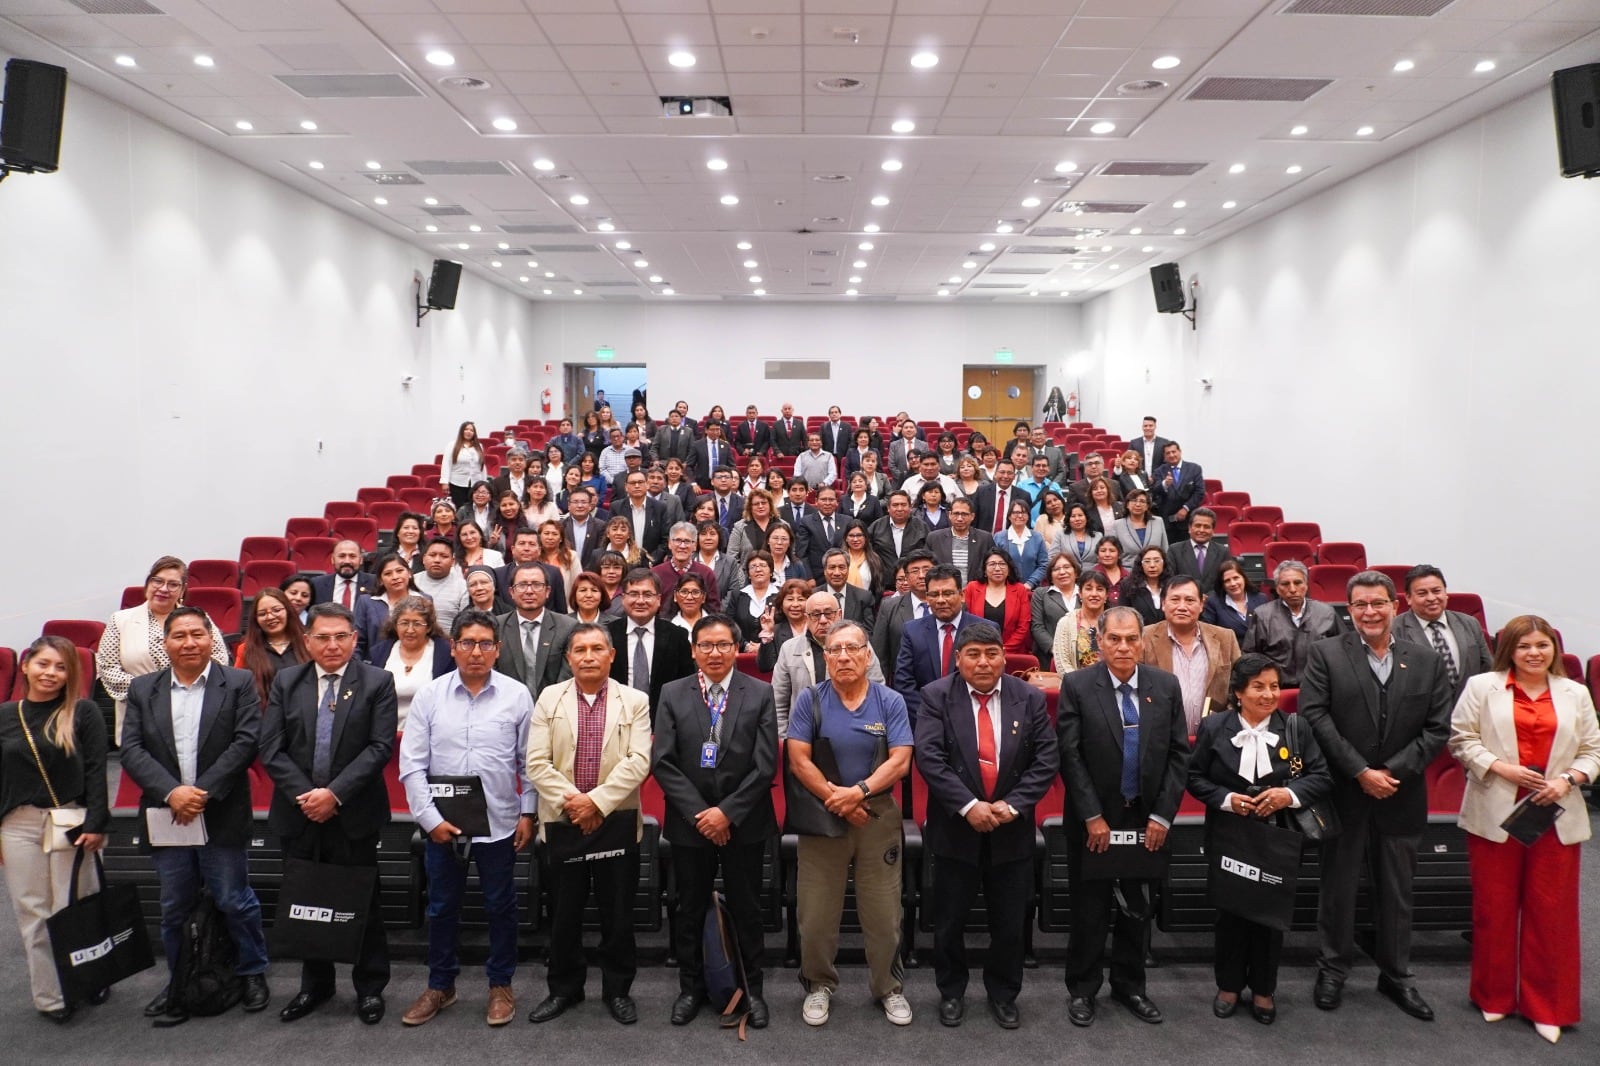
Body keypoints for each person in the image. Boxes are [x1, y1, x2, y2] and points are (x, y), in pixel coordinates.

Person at [1298, 570, 1451, 1021]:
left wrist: (1393, 771)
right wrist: (1361, 771)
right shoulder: (1326, 654)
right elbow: (1314, 715)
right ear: (1349, 610)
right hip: (1344, 792)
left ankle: (1396, 975)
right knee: (1338, 887)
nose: (1369, 612)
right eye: (1360, 605)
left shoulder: (1424, 660)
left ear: (1395, 606)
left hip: (1401, 794)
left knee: (1397, 891)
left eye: (1378, 603)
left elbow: (1437, 727)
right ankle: (1332, 969)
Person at [1449, 615, 1600, 1044]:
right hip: (1495, 811)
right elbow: (1461, 738)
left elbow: (1593, 749)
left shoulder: (1576, 692)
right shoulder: (1483, 686)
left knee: (1552, 914)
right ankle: (1493, 996)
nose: (1535, 653)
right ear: (1508, 650)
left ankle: (1547, 1005)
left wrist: (1569, 779)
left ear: (1554, 648)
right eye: (1524, 646)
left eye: (1543, 645)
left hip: (1555, 812)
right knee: (1493, 910)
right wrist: (1500, 766)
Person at [119, 606, 270, 1020]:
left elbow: (246, 741)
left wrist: (199, 793)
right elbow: (130, 749)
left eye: (197, 634)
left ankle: (252, 970)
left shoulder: (236, 682)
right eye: (179, 635)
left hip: (218, 809)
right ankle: (179, 980)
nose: (189, 642)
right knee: (174, 905)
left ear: (210, 639)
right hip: (167, 815)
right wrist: (171, 793)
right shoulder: (143, 688)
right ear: (165, 643)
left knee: (233, 899)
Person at [915, 623, 1059, 1029]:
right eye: (973, 653)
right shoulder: (936, 696)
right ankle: (951, 991)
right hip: (955, 829)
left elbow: (1046, 759)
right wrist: (968, 805)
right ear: (958, 658)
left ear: (1003, 657)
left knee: (1010, 922)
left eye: (991, 653)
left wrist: (1012, 806)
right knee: (950, 921)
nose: (983, 661)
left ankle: (1004, 992)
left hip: (1011, 830)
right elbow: (929, 758)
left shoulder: (1028, 698)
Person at [398, 610, 538, 1027]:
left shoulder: (517, 696)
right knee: (441, 908)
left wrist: (528, 812)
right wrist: (428, 819)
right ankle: (441, 985)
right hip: (443, 826)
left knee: (501, 906)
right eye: (467, 643)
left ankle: (500, 984)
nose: (475, 652)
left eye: (485, 644)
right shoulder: (430, 696)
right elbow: (412, 765)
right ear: (453, 647)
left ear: (497, 650)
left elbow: (528, 763)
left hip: (499, 823)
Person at [260, 604, 397, 1025]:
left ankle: (370, 988)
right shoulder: (288, 680)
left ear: (355, 639)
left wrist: (334, 795)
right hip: (300, 813)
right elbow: (271, 747)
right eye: (322, 637)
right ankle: (314, 985)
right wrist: (309, 796)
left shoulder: (377, 681)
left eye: (341, 636)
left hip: (354, 812)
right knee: (306, 900)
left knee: (362, 901)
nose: (332, 645)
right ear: (308, 640)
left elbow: (379, 748)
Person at [1057, 606, 1189, 1027]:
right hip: (1093, 820)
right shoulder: (1077, 686)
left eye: (1132, 638)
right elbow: (1070, 756)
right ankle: (1083, 988)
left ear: (1143, 640)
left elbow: (1177, 758)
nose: (1123, 646)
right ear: (1099, 640)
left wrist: (1163, 817)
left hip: (1146, 819)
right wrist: (1092, 816)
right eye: (1114, 638)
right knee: (1089, 909)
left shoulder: (1166, 686)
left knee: (1139, 908)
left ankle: (1131, 985)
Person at [1187, 653, 1332, 1023]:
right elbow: (1194, 777)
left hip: (1279, 837)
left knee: (1270, 915)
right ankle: (1229, 984)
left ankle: (1265, 988)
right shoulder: (1213, 727)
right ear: (1238, 692)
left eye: (1274, 687)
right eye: (1258, 687)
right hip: (1230, 833)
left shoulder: (1296, 727)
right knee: (1231, 912)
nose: (1269, 695)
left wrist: (1288, 795)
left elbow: (1321, 776)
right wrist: (1226, 800)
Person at [650, 616, 779, 1028]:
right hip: (691, 823)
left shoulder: (758, 692)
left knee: (747, 908)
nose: (715, 653)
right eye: (706, 645)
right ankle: (691, 988)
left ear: (736, 649)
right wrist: (703, 814)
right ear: (693, 650)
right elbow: (664, 762)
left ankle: (751, 989)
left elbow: (765, 765)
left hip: (745, 821)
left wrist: (728, 812)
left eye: (724, 645)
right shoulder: (672, 692)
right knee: (688, 908)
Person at [787, 620, 914, 1028]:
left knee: (883, 914)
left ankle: (888, 989)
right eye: (835, 650)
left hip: (877, 816)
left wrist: (856, 793)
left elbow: (900, 761)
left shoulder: (889, 701)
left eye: (852, 648)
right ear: (825, 658)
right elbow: (798, 760)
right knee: (816, 914)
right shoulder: (810, 700)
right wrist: (836, 800)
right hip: (824, 819)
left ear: (867, 654)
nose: (843, 656)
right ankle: (819, 986)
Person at [524, 623, 652, 1027]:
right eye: (580, 649)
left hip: (615, 822)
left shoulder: (635, 700)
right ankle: (564, 988)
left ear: (612, 655)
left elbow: (639, 761)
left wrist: (596, 802)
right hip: (563, 823)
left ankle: (617, 989)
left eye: (597, 648)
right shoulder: (549, 697)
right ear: (568, 658)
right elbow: (536, 763)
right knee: (564, 913)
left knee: (617, 914)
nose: (589, 656)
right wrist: (577, 804)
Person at [1, 636, 109, 1023]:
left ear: (71, 674)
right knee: (33, 911)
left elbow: (98, 770)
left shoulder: (83, 712)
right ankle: (51, 996)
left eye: (61, 667)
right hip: (17, 825)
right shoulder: (5, 715)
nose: (51, 673)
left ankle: (88, 976)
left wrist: (97, 823)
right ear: (26, 665)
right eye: (43, 664)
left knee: (74, 906)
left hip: (70, 821)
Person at [96, 555, 228, 742]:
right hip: (140, 715)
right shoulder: (120, 620)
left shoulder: (199, 618)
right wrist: (152, 691)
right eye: (157, 581)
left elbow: (218, 659)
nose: (163, 589)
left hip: (193, 710)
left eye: (173, 584)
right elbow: (108, 668)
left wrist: (182, 689)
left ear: (182, 590)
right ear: (148, 584)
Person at [1138, 576, 1241, 735]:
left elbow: (1239, 687)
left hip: (1215, 738)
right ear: (1163, 604)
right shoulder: (1144, 637)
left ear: (1201, 605)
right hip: (1161, 737)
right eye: (1175, 599)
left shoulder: (1225, 638)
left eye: (1190, 600)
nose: (1182, 606)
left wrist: (1225, 722)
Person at [895, 565, 987, 722]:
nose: (940, 600)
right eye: (934, 594)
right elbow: (904, 683)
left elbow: (987, 680)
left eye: (948, 593)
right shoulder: (912, 631)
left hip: (972, 719)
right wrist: (931, 715)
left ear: (962, 595)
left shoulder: (984, 630)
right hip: (924, 719)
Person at [1394, 564, 1493, 704]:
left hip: (1468, 709)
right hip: (1421, 714)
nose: (1431, 598)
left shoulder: (1470, 623)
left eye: (1436, 591)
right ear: (1408, 598)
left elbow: (1488, 668)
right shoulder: (1395, 629)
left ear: (1445, 593)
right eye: (1422, 593)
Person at [607, 568, 696, 723]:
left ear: (659, 599)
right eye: (633, 594)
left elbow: (686, 685)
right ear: (622, 598)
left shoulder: (677, 636)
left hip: (664, 721)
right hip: (615, 720)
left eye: (648, 594)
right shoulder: (607, 634)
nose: (640, 601)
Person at [1242, 561, 1343, 688]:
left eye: (1298, 582)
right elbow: (1250, 658)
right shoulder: (1263, 615)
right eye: (1285, 584)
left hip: (1320, 686)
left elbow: (1343, 652)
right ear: (1277, 588)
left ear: (1306, 585)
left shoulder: (1326, 613)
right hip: (1278, 689)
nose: (1292, 589)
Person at [493, 560, 577, 701]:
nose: (529, 591)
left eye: (537, 585)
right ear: (511, 592)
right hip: (506, 707)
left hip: (554, 709)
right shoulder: (496, 627)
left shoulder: (568, 627)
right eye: (522, 585)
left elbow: (567, 677)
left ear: (548, 591)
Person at [368, 596, 452, 731]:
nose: (410, 630)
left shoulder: (445, 654)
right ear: (395, 625)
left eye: (417, 624)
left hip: (430, 733)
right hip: (384, 735)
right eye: (404, 623)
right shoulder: (379, 653)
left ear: (429, 627)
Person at [233, 587, 308, 702]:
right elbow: (237, 688)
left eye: (276, 610)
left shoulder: (308, 642)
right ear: (256, 619)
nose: (270, 617)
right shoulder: (246, 649)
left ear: (288, 611)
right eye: (262, 614)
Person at [964, 548, 1031, 656]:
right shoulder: (972, 588)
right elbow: (966, 622)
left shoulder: (1019, 590)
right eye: (992, 564)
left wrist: (1002, 650)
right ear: (984, 569)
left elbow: (1023, 626)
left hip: (1012, 652)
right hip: (977, 651)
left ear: (1009, 568)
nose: (997, 568)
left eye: (1002, 564)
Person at [1052, 570, 1111, 674]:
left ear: (1106, 595)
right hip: (1074, 685)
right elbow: (1062, 665)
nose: (1094, 594)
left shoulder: (1115, 623)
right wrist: (1079, 686)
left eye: (1099, 589)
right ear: (1080, 593)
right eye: (1088, 589)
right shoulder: (1066, 623)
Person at [928, 496, 994, 587]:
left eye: (964, 514)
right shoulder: (934, 538)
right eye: (956, 514)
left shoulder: (985, 539)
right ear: (949, 515)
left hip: (976, 591)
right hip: (944, 591)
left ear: (972, 516)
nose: (959, 518)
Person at [1031, 553, 1080, 666]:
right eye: (1056, 569)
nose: (1062, 572)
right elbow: (1037, 627)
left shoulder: (1085, 592)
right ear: (1050, 576)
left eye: (1067, 567)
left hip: (1083, 655)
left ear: (1076, 572)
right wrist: (1056, 650)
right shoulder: (1041, 594)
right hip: (1050, 656)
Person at [1203, 559, 1268, 643]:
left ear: (1243, 578)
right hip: (1229, 652)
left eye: (1236, 578)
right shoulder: (1213, 602)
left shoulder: (1261, 599)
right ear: (1222, 585)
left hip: (1259, 653)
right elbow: (1208, 634)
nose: (1233, 583)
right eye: (1227, 581)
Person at [1165, 507, 1229, 593]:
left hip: (1214, 603)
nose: (1201, 530)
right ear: (1189, 528)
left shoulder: (1223, 552)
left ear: (1213, 530)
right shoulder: (1174, 550)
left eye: (1206, 527)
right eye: (1197, 526)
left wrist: (1209, 598)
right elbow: (1170, 580)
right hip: (1184, 601)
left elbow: (1227, 581)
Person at [413, 537, 470, 632]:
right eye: (432, 555)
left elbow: (464, 624)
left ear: (453, 561)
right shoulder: (411, 581)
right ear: (424, 559)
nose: (437, 560)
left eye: (444, 556)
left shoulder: (463, 587)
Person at [1153, 440, 1205, 544]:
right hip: (1168, 521)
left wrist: (1185, 508)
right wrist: (1165, 484)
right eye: (1168, 453)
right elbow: (1155, 490)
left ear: (1180, 451)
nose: (1171, 455)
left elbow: (1199, 491)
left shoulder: (1194, 469)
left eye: (1174, 451)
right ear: (1164, 456)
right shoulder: (1159, 471)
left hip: (1189, 519)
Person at [869, 491, 929, 580]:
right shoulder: (876, 527)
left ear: (910, 507)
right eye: (895, 505)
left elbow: (929, 554)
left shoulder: (921, 527)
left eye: (903, 505)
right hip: (883, 583)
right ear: (888, 508)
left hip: (914, 581)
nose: (900, 508)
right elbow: (868, 552)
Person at [729, 551, 780, 650]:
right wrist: (745, 645)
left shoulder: (780, 595)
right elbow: (729, 624)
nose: (758, 569)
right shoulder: (738, 595)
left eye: (763, 565)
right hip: (742, 654)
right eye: (753, 566)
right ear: (748, 574)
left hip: (775, 653)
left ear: (771, 571)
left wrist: (764, 646)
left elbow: (784, 626)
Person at [1107, 488, 1170, 570]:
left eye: (1142, 501)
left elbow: (1165, 549)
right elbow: (1112, 552)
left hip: (1154, 569)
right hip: (1128, 570)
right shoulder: (1117, 525)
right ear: (1127, 505)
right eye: (1134, 500)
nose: (1138, 504)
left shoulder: (1158, 521)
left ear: (1147, 506)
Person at [817, 548, 878, 630]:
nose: (837, 573)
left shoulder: (864, 597)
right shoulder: (813, 596)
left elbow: (868, 631)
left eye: (841, 567)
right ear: (824, 571)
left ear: (848, 570)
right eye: (832, 567)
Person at [795, 485, 846, 578]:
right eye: (823, 499)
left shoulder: (847, 521)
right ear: (816, 501)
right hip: (816, 578)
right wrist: (809, 578)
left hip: (841, 575)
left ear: (836, 502)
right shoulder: (806, 522)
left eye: (831, 499)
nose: (827, 503)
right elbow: (801, 553)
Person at [999, 499, 1049, 589]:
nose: (1020, 516)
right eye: (1016, 512)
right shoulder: (999, 537)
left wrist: (1030, 583)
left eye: (1024, 512)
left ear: (1028, 516)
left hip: (1032, 590)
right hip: (1004, 588)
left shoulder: (1037, 537)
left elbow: (1044, 564)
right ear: (1009, 516)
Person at [726, 489, 777, 573]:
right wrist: (742, 577)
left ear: (770, 505)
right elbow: (731, 556)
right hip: (747, 578)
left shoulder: (782, 525)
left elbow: (791, 553)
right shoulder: (739, 527)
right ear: (750, 507)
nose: (760, 506)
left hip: (778, 575)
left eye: (764, 503)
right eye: (756, 504)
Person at [1120, 545, 1171, 627]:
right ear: (1141, 564)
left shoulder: (1172, 585)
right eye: (1147, 561)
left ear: (1163, 563)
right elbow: (1122, 615)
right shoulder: (1128, 586)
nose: (1152, 565)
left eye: (1157, 561)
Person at [441, 421, 486, 507]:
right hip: (457, 483)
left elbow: (482, 467)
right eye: (466, 429)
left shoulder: (479, 446)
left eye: (471, 430)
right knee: (459, 508)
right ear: (462, 431)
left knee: (473, 508)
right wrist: (444, 482)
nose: (469, 432)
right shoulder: (452, 445)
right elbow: (446, 463)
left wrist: (484, 483)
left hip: (475, 484)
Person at [537, 519, 582, 600]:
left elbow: (578, 583)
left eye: (554, 534)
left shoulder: (571, 556)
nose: (550, 537)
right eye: (546, 533)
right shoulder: (534, 556)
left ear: (561, 538)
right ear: (539, 536)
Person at [690, 424, 735, 489]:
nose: (715, 432)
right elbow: (689, 466)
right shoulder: (697, 445)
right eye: (712, 430)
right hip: (702, 483)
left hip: (722, 482)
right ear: (706, 430)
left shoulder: (725, 445)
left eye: (717, 429)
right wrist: (693, 483)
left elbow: (731, 465)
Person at [1059, 501, 1103, 569]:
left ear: (1086, 518)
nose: (1077, 519)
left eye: (1080, 515)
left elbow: (1102, 559)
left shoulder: (1098, 536)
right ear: (1068, 519)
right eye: (1073, 516)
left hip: (1092, 574)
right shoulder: (1060, 535)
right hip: (1068, 574)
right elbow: (1053, 557)